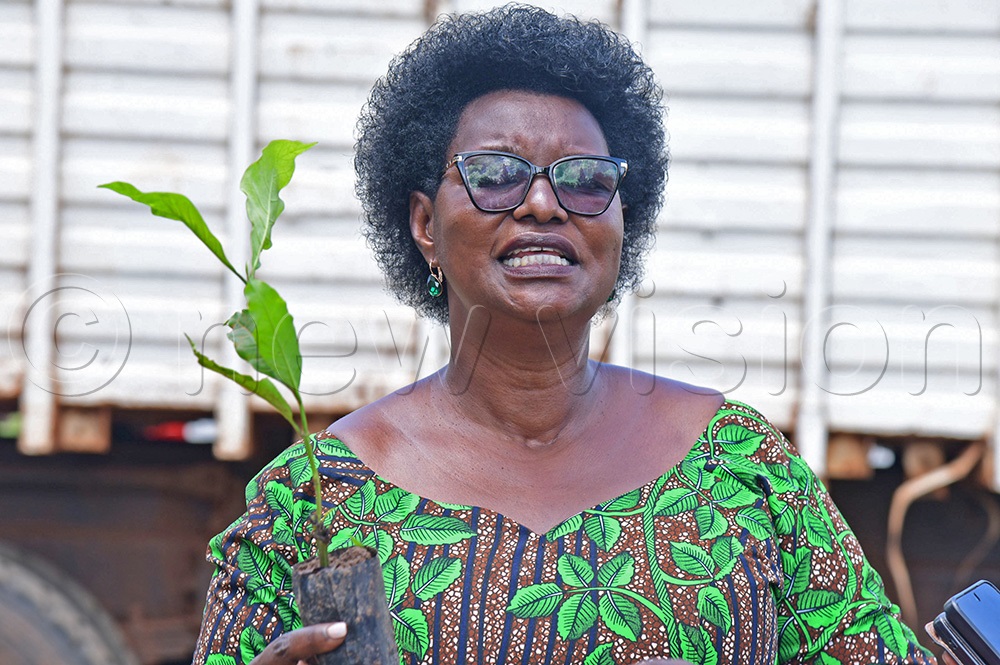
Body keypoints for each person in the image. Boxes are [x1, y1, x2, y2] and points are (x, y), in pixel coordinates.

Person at [192, 5, 938, 664]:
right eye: (495, 174)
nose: (544, 204)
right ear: (425, 223)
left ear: (621, 225)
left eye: (584, 179)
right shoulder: (312, 502)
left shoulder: (742, 469)